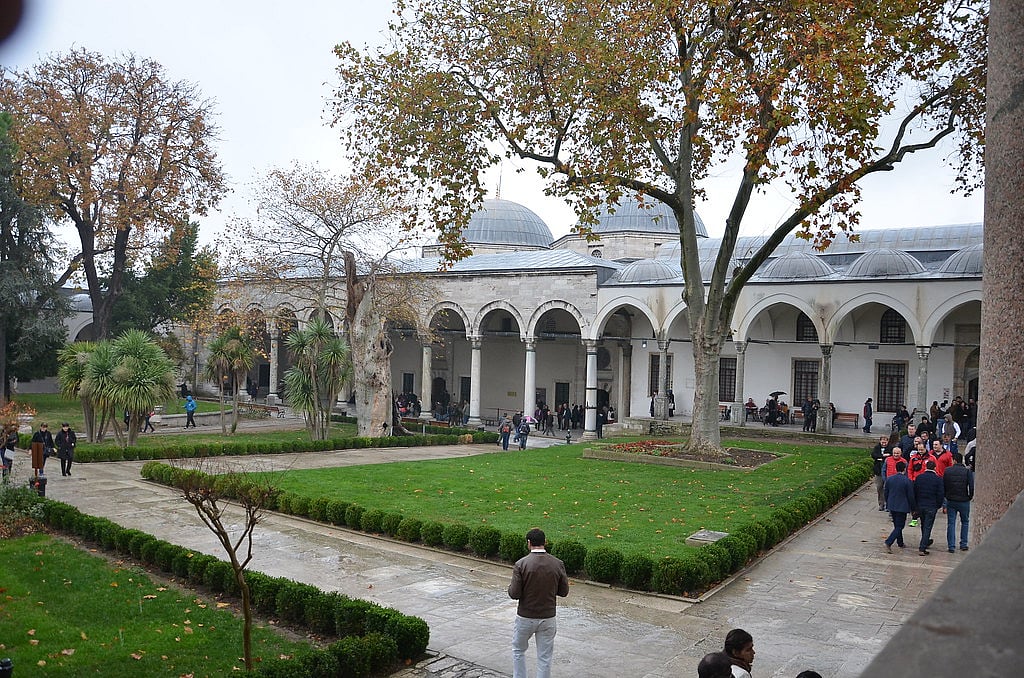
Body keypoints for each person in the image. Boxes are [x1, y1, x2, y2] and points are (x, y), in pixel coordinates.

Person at [508, 528, 569, 678]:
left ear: (529, 543)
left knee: (518, 651)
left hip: (525, 617)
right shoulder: (558, 564)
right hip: (548, 617)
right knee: (544, 657)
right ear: (545, 542)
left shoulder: (521, 564)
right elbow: (564, 592)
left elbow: (514, 594)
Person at [943, 451, 974, 553]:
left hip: (951, 500)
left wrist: (946, 496)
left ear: (954, 460)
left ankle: (951, 546)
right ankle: (963, 544)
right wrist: (969, 496)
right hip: (964, 500)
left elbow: (944, 485)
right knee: (965, 522)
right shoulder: (967, 471)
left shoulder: (947, 471)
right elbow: (971, 486)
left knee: (951, 523)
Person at [913, 459, 945, 556]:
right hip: (931, 506)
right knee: (928, 526)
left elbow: (915, 491)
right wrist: (938, 505)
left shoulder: (919, 478)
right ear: (935, 468)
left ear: (926, 467)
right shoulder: (938, 479)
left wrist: (915, 505)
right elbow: (940, 494)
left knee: (923, 525)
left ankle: (925, 541)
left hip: (920, 505)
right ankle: (922, 547)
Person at [883, 461, 915, 552]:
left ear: (896, 468)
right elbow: (910, 496)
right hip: (902, 506)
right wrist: (913, 508)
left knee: (897, 525)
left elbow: (886, 492)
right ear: (904, 469)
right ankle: (889, 541)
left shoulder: (890, 479)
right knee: (900, 526)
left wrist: (888, 501)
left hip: (892, 505)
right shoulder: (907, 481)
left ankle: (900, 542)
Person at [871, 435, 892, 510]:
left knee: (887, 488)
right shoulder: (877, 448)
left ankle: (887, 503)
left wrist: (880, 457)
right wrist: (883, 456)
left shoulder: (891, 448)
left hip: (887, 471)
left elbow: (890, 456)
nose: (884, 443)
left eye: (885, 442)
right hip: (878, 471)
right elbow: (874, 455)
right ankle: (881, 503)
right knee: (879, 487)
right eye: (882, 442)